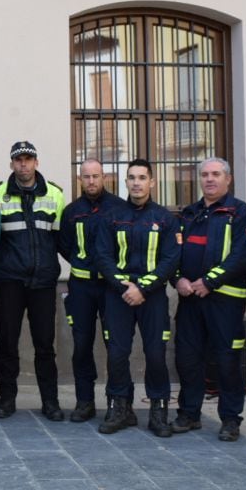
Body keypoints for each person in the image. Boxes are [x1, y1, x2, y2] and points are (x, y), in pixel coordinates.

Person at [172, 157, 246, 441]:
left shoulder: (240, 213)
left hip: (225, 303)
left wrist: (209, 281)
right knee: (188, 358)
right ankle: (189, 413)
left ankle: (231, 419)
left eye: (216, 174)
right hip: (190, 301)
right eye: (205, 174)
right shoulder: (189, 213)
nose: (209, 179)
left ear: (228, 179)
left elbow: (241, 256)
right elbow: (174, 253)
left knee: (227, 362)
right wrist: (178, 279)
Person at [93, 159, 179, 437]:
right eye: (131, 178)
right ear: (125, 182)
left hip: (152, 297)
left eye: (142, 177)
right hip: (118, 296)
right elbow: (102, 256)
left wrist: (142, 287)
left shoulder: (166, 219)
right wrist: (124, 286)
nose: (137, 183)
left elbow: (170, 260)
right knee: (117, 354)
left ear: (152, 182)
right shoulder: (112, 216)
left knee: (155, 354)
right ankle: (120, 407)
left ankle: (158, 410)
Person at [0, 141, 65, 421]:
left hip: (43, 283)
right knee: (7, 343)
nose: (23, 164)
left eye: (28, 159)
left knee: (45, 345)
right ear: (11, 164)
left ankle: (51, 401)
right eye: (18, 160)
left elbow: (61, 239)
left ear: (36, 162)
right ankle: (7, 400)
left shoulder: (55, 194)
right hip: (10, 282)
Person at [58, 159, 128, 422]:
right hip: (81, 289)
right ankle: (84, 402)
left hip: (111, 287)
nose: (91, 181)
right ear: (79, 179)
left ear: (104, 177)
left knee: (116, 346)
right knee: (82, 345)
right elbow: (64, 245)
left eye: (95, 176)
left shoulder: (120, 208)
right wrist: (82, 264)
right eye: (86, 177)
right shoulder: (71, 211)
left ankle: (119, 403)